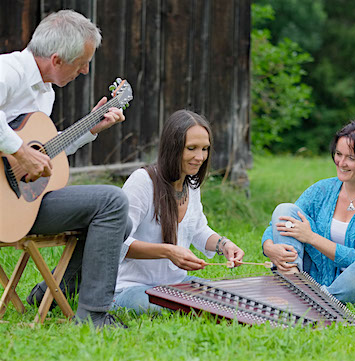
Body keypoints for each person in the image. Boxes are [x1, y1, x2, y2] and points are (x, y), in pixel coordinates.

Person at [0, 10, 132, 327]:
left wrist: (90, 129)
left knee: (120, 223)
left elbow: (46, 150)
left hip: (19, 205)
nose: (85, 71)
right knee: (112, 201)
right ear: (57, 60)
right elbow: (24, 151)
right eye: (82, 63)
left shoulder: (44, 92)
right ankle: (94, 316)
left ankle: (49, 292)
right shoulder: (9, 71)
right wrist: (19, 150)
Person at [112, 109, 245, 314]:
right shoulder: (142, 182)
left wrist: (224, 245)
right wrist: (168, 251)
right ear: (173, 147)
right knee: (172, 308)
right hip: (131, 286)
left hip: (176, 283)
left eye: (205, 149)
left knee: (224, 299)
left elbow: (198, 230)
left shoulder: (191, 185)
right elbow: (115, 243)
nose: (199, 157)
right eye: (191, 148)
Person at [261, 118, 355, 309]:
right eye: (338, 154)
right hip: (316, 277)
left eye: (351, 158)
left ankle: (318, 300)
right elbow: (280, 222)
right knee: (285, 208)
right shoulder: (322, 190)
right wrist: (268, 247)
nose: (341, 163)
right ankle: (292, 284)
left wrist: (312, 238)